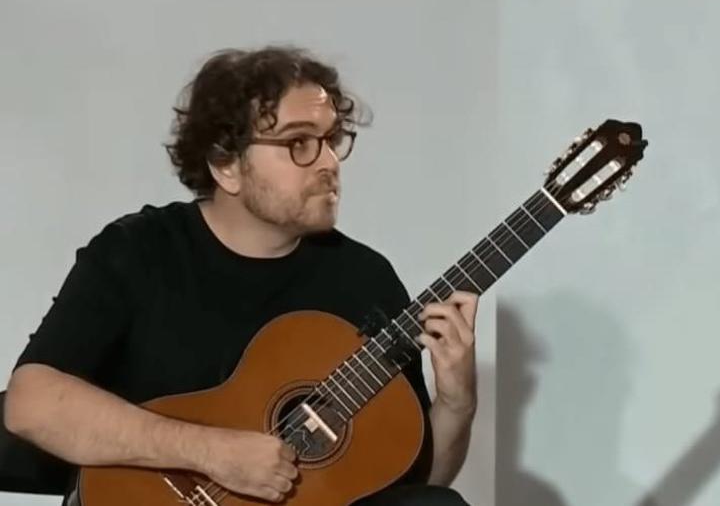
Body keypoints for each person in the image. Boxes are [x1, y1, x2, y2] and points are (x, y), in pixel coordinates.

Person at [3, 47, 477, 506]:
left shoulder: (364, 280)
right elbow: (30, 403)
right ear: (226, 165)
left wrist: (457, 403)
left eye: (332, 140)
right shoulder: (139, 252)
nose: (330, 163)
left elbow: (409, 480)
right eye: (299, 143)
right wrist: (211, 452)